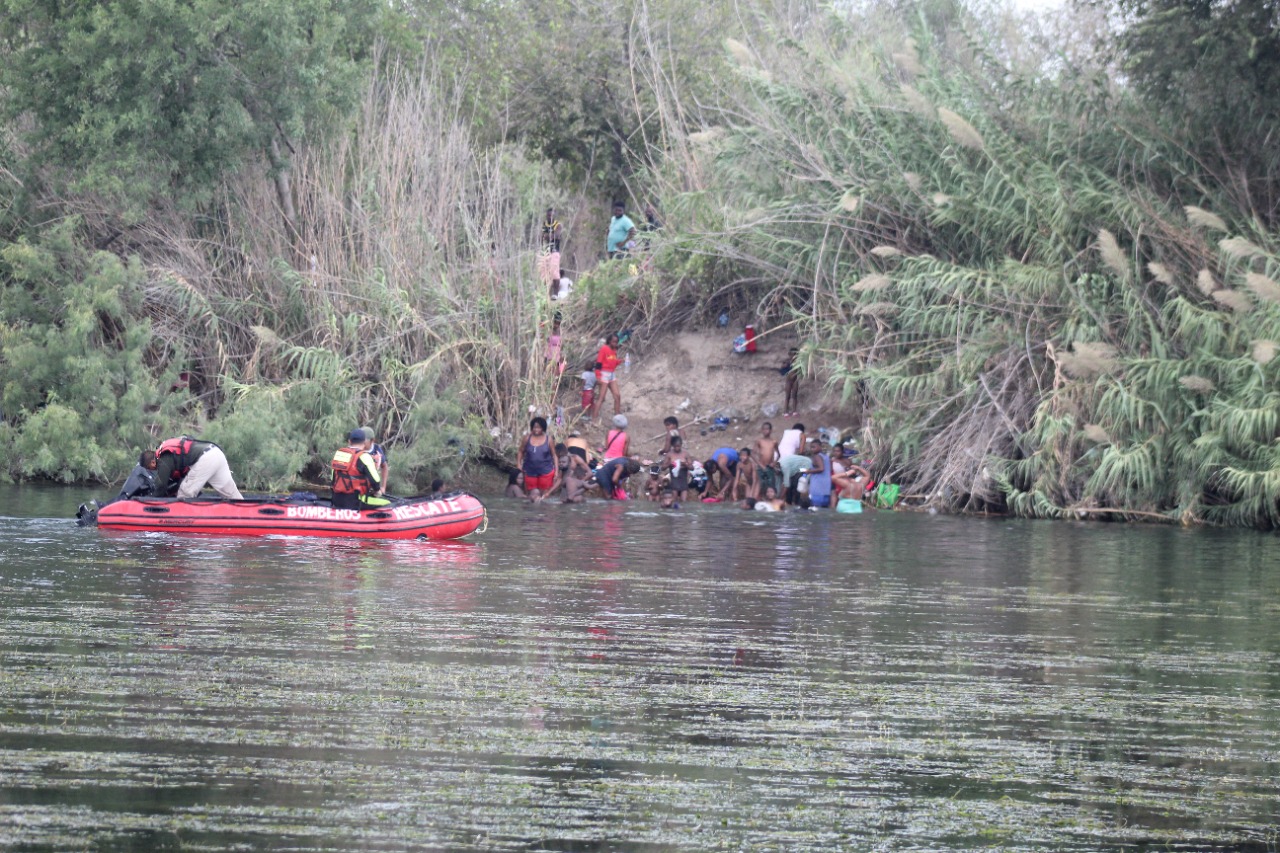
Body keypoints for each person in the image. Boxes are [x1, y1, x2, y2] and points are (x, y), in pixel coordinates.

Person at [152, 436, 243, 500]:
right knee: (231, 494)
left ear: (153, 461)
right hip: (216, 453)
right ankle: (250, 517)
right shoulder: (178, 447)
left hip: (206, 458)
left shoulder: (164, 456)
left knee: (185, 494)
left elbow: (161, 485)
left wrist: (151, 500)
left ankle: (183, 523)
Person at [331, 429, 390, 510]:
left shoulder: (340, 454)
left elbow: (332, 479)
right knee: (388, 503)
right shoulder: (364, 457)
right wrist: (377, 491)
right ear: (364, 443)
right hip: (356, 502)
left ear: (349, 441)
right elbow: (375, 480)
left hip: (336, 500)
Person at [517, 416, 557, 501]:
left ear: (543, 428)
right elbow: (521, 451)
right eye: (534, 427)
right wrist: (518, 463)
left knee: (543, 496)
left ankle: (542, 513)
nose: (536, 429)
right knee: (530, 494)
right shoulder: (527, 438)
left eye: (539, 427)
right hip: (529, 470)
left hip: (546, 471)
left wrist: (556, 470)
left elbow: (554, 455)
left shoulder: (548, 439)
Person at [591, 333, 623, 418]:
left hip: (611, 374)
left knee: (617, 396)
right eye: (613, 342)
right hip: (604, 374)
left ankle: (617, 417)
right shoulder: (604, 348)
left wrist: (620, 361)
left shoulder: (614, 350)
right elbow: (599, 363)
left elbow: (613, 363)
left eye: (616, 342)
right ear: (609, 341)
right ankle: (594, 418)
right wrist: (598, 376)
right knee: (601, 397)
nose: (615, 344)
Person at [539, 207, 563, 296]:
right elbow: (541, 237)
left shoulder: (558, 225)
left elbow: (556, 235)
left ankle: (555, 294)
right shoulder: (544, 224)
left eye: (551, 215)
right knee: (544, 274)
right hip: (545, 252)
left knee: (554, 273)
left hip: (554, 251)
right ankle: (546, 295)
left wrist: (547, 236)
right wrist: (547, 236)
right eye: (548, 215)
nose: (549, 217)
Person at [662, 435, 691, 503]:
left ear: (681, 445)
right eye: (675, 446)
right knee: (674, 501)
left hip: (684, 481)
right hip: (674, 481)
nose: (677, 448)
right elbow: (663, 467)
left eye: (678, 446)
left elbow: (691, 467)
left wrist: (685, 464)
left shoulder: (685, 454)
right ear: (672, 445)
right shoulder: (669, 454)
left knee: (684, 501)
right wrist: (669, 464)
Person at [754, 422, 781, 496]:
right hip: (761, 467)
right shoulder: (759, 441)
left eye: (767, 429)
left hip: (770, 467)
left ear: (771, 430)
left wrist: (774, 463)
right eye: (764, 429)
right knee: (760, 485)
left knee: (770, 486)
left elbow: (778, 454)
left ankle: (769, 502)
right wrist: (760, 465)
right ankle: (759, 501)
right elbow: (753, 454)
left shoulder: (774, 442)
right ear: (761, 430)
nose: (765, 431)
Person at [360, 426, 389, 494]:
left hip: (373, 487)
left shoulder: (377, 449)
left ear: (372, 440)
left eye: (364, 441)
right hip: (359, 487)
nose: (361, 443)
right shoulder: (357, 449)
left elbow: (384, 466)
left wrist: (383, 487)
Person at [805, 438, 833, 508]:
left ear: (820, 447)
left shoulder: (817, 456)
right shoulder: (826, 457)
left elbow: (821, 468)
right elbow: (830, 469)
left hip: (817, 489)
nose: (812, 449)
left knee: (815, 510)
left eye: (814, 447)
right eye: (811, 447)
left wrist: (808, 471)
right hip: (826, 489)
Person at [781, 347, 800, 416]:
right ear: (789, 354)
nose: (793, 356)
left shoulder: (799, 362)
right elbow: (782, 372)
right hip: (788, 381)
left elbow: (800, 371)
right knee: (787, 396)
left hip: (795, 380)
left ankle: (794, 411)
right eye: (792, 354)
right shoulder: (787, 362)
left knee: (794, 396)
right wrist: (784, 367)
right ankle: (785, 411)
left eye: (795, 354)